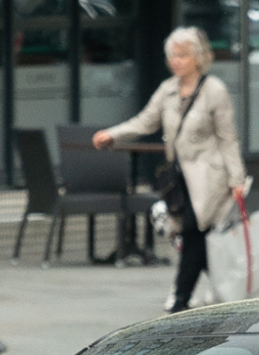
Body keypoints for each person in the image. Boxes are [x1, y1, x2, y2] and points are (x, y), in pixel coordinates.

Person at [95, 27, 245, 313]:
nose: (176, 61)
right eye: (173, 56)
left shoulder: (215, 91)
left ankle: (180, 301)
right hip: (179, 179)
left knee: (192, 231)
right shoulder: (167, 90)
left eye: (183, 56)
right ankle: (228, 294)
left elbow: (228, 138)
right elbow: (145, 122)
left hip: (209, 178)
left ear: (198, 59)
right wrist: (113, 135)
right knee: (197, 238)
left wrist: (236, 179)